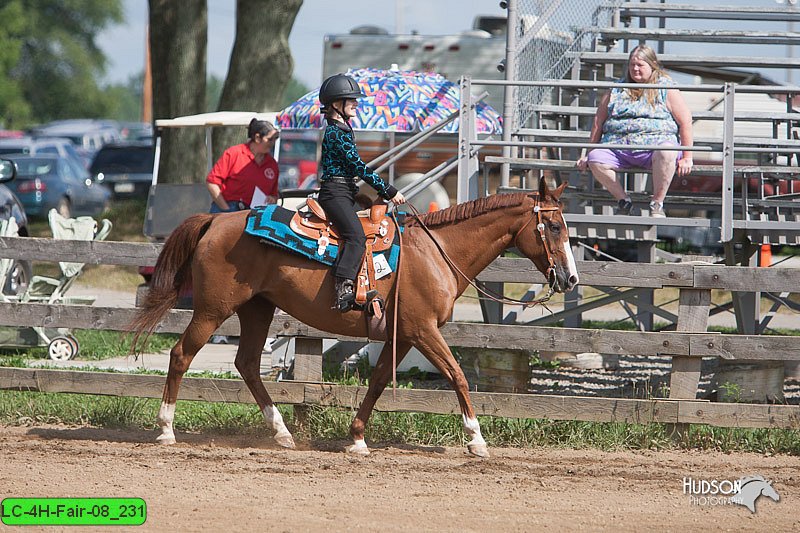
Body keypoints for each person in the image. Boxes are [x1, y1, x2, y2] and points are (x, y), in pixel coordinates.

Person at [317, 73, 406, 312]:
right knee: (356, 236)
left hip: (346, 191)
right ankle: (343, 287)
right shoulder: (336, 132)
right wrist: (387, 189)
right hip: (334, 194)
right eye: (351, 100)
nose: (356, 103)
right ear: (337, 104)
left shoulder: (343, 128)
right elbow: (358, 166)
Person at [577, 44, 693, 218]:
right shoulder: (616, 89)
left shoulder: (666, 88)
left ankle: (657, 203)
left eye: (640, 65)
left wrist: (687, 157)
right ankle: (623, 201)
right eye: (632, 65)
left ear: (652, 65)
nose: (635, 69)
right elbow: (598, 122)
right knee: (595, 158)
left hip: (654, 148)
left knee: (668, 151)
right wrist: (588, 153)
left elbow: (685, 122)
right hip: (618, 147)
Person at [206, 118, 280, 213]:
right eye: (270, 139)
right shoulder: (234, 153)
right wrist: (226, 209)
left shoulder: (272, 164)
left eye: (275, 139)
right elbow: (212, 182)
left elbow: (274, 194)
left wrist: (272, 199)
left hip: (255, 213)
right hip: (228, 207)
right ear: (257, 138)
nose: (273, 143)